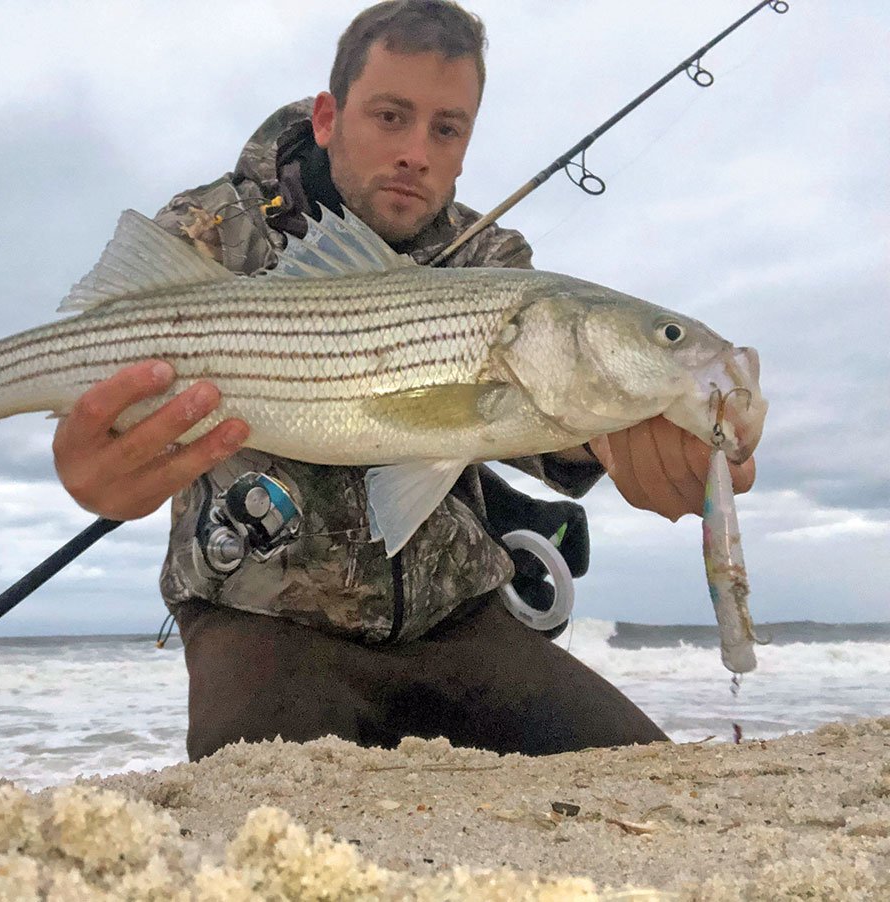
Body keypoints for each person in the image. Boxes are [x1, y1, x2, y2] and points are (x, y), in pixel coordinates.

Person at [53, 0, 756, 760]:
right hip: (258, 624)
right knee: (268, 842)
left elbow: (546, 430)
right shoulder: (211, 231)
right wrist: (87, 469)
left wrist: (625, 443)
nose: (417, 152)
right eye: (391, 116)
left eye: (446, 129)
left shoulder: (493, 262)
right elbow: (103, 379)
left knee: (647, 781)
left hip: (461, 621)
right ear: (327, 116)